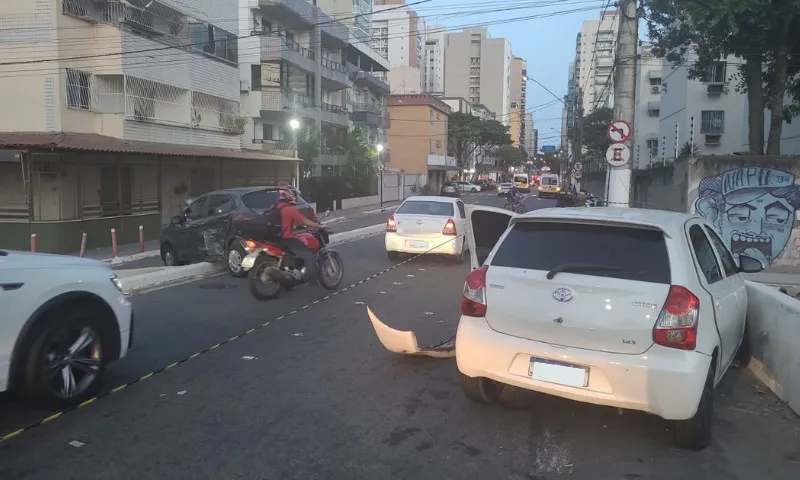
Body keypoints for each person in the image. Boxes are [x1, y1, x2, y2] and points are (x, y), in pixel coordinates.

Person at [277, 188, 325, 285]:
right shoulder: (290, 209)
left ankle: (289, 283)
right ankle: (312, 282)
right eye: (295, 196)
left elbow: (286, 223)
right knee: (309, 255)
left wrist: (295, 226)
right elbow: (305, 221)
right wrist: (319, 226)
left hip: (276, 239)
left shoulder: (276, 208)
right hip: (287, 239)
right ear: (289, 197)